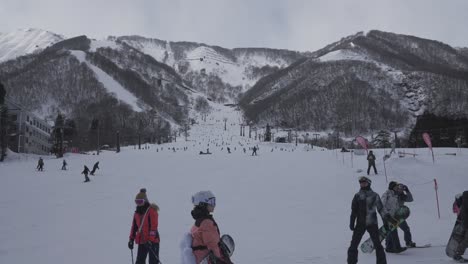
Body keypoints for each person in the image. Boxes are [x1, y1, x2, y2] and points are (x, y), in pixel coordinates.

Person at [347, 176, 389, 264]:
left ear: (369, 183)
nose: (362, 184)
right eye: (361, 183)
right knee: (353, 245)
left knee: (377, 245)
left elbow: (381, 209)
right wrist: (352, 222)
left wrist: (385, 221)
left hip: (372, 223)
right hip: (360, 224)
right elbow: (354, 211)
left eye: (364, 182)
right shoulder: (357, 196)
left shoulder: (375, 195)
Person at [191, 191, 232, 264]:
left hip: (201, 259)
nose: (214, 205)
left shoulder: (199, 222)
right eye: (212, 202)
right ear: (202, 204)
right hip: (210, 260)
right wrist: (221, 261)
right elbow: (213, 245)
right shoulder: (207, 223)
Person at [128, 188, 160, 264]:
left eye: (140, 201)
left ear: (144, 201)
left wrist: (150, 240)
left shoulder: (151, 210)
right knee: (139, 261)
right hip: (142, 241)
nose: (138, 204)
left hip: (153, 242)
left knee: (153, 262)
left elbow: (153, 228)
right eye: (137, 202)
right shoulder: (137, 213)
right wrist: (131, 239)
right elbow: (134, 227)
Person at [381, 182, 410, 253]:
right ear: (392, 187)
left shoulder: (395, 195)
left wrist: (399, 214)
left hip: (393, 216)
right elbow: (381, 204)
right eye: (396, 186)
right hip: (387, 216)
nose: (397, 187)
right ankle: (397, 248)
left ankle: (389, 247)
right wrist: (386, 214)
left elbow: (396, 206)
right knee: (393, 232)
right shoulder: (387, 194)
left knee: (391, 232)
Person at [453, 191, 468, 262]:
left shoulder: (465, 198)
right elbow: (464, 213)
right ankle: (457, 254)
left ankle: (457, 253)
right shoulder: (466, 199)